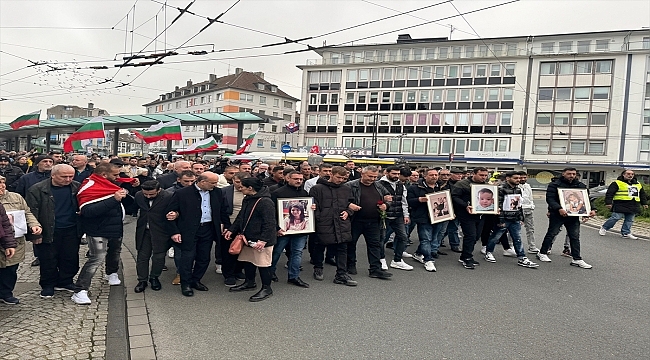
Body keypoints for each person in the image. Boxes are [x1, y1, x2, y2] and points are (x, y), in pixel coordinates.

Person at [166, 172, 230, 297]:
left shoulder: (217, 192)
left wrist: (226, 226)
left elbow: (223, 211)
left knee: (204, 257)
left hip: (208, 229)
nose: (215, 185)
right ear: (202, 182)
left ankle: (196, 280)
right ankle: (186, 283)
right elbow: (170, 214)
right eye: (213, 183)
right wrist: (174, 232)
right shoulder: (182, 193)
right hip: (188, 230)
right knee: (188, 257)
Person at [72, 162, 127, 304]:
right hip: (97, 229)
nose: (118, 177)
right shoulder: (90, 186)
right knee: (96, 258)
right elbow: (88, 211)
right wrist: (113, 199)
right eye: (115, 175)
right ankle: (80, 289)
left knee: (115, 252)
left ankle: (111, 272)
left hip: (115, 227)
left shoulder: (111, 185)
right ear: (104, 175)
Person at [25, 164, 80, 299]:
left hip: (71, 229)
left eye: (70, 176)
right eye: (64, 176)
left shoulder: (76, 187)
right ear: (53, 175)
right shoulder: (38, 189)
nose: (68, 179)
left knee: (70, 257)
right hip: (48, 229)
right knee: (48, 259)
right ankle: (48, 285)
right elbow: (31, 212)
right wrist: (33, 234)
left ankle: (65, 281)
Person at [224, 177, 277, 302]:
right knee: (248, 261)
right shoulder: (248, 198)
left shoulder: (265, 202)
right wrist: (232, 229)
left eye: (242, 186)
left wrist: (263, 240)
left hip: (261, 240)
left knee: (263, 264)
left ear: (250, 188)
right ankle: (250, 282)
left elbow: (270, 223)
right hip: (248, 237)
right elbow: (241, 216)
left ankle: (267, 288)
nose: (239, 188)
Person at [537, 167, 596, 269]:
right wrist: (559, 208)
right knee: (552, 233)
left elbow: (587, 199)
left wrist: (592, 209)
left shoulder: (580, 186)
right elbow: (550, 199)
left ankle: (577, 259)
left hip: (573, 215)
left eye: (573, 174)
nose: (572, 176)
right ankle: (542, 252)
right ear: (563, 174)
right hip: (557, 214)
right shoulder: (554, 185)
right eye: (569, 174)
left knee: (575, 236)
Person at [309, 166, 357, 286]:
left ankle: (341, 274)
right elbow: (313, 206)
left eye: (343, 178)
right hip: (324, 222)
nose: (340, 180)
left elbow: (351, 204)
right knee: (320, 245)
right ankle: (318, 267)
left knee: (342, 248)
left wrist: (348, 212)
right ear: (331, 174)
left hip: (341, 222)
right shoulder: (317, 188)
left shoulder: (346, 189)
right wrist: (318, 219)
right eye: (338, 177)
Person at [483, 171, 538, 268]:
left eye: (519, 178)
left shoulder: (518, 190)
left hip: (515, 218)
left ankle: (522, 257)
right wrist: (500, 220)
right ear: (508, 178)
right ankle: (489, 252)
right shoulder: (501, 189)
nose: (518, 180)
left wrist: (521, 218)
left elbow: (519, 205)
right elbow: (498, 206)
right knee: (495, 236)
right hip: (504, 218)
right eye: (515, 178)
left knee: (517, 238)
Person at [346, 166, 393, 279]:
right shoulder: (350, 185)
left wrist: (386, 205)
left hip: (373, 221)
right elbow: (340, 199)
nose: (372, 179)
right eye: (370, 176)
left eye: (375, 177)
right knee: (351, 244)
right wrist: (349, 205)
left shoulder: (378, 185)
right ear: (362, 173)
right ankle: (350, 265)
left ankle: (375, 269)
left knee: (375, 245)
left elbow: (389, 199)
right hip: (355, 220)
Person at [0, 176, 40, 304]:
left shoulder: (16, 197)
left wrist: (34, 224)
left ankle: (6, 293)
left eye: (3, 183)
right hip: (2, 239)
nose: (2, 186)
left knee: (11, 269)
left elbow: (27, 212)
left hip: (14, 240)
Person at [270, 171, 311, 288]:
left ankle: (294, 276)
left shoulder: (304, 193)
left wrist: (312, 207)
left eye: (301, 179)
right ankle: (270, 273)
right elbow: (271, 212)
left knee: (297, 253)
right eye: (296, 179)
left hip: (301, 230)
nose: (299, 181)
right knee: (276, 252)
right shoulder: (278, 193)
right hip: (283, 230)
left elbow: (307, 211)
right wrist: (276, 227)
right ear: (288, 179)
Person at [133, 180, 173, 293]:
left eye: (151, 194)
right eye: (146, 194)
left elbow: (177, 210)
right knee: (142, 257)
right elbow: (133, 208)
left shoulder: (168, 196)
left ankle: (154, 277)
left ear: (159, 190)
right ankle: (142, 280)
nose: (148, 196)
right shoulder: (139, 195)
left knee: (159, 257)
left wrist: (175, 214)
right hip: (144, 231)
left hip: (161, 231)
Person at [452, 167, 490, 270]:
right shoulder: (462, 184)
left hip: (481, 215)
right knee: (470, 235)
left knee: (476, 236)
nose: (484, 177)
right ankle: (467, 257)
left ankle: (465, 255)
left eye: (485, 175)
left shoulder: (486, 185)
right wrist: (465, 205)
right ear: (473, 174)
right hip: (466, 214)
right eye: (481, 175)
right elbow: (454, 197)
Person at [377, 166, 413, 271]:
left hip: (398, 215)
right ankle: (381, 259)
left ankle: (397, 260)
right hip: (384, 215)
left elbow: (403, 201)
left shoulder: (400, 185)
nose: (396, 176)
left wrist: (406, 215)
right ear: (386, 173)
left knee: (403, 237)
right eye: (394, 174)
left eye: (398, 174)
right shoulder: (379, 184)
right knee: (382, 239)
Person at [600, 169, 648, 239]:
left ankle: (626, 232)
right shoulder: (617, 183)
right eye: (628, 174)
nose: (630, 175)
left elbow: (642, 194)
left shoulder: (637, 184)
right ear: (623, 174)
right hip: (620, 203)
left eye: (632, 174)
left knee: (630, 220)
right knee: (616, 217)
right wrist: (608, 203)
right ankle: (604, 227)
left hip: (633, 204)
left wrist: (644, 203)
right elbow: (610, 193)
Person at [518, 172, 539, 253]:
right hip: (519, 210)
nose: (523, 179)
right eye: (521, 177)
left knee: (530, 229)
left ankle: (532, 246)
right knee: (516, 229)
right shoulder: (516, 186)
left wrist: (532, 206)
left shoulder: (528, 186)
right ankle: (511, 245)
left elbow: (530, 198)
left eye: (524, 177)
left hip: (528, 209)